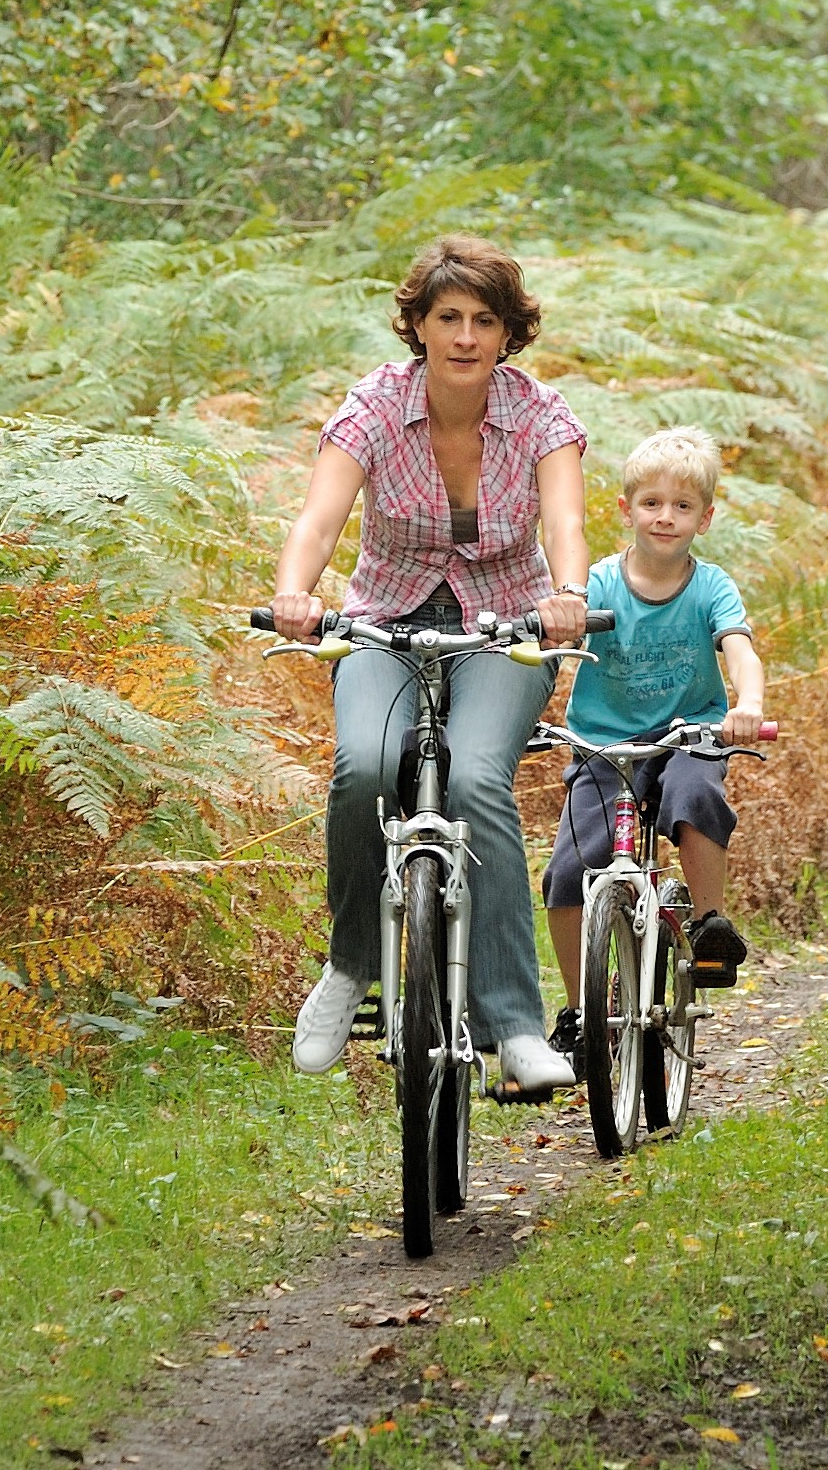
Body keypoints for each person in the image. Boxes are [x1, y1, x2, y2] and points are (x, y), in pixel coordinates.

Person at [269, 235, 590, 1096]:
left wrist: (567, 592)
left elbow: (567, 525)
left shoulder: (541, 416)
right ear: (417, 324)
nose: (464, 336)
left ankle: (514, 1026)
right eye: (447, 317)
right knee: (366, 765)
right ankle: (348, 970)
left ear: (508, 333)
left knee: (479, 781)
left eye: (484, 320)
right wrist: (296, 593)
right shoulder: (374, 405)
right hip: (381, 623)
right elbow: (319, 517)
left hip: (507, 629)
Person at [544, 426, 768, 1022]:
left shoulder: (711, 586)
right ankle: (578, 1012)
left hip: (687, 735)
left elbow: (740, 648)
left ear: (706, 518)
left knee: (694, 793)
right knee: (568, 872)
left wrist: (747, 705)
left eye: (683, 506)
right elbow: (550, 640)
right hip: (602, 743)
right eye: (651, 504)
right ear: (626, 510)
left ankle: (708, 924)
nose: (665, 517)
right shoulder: (597, 583)